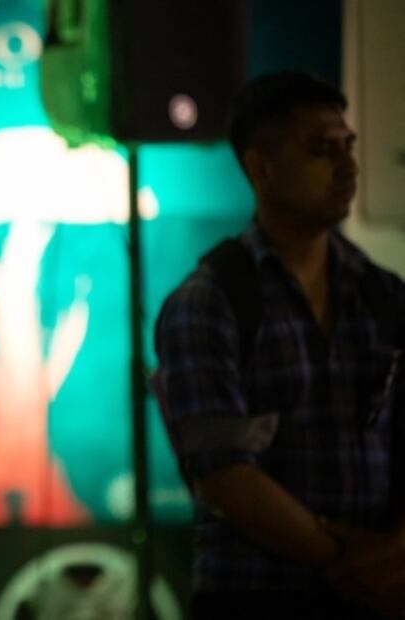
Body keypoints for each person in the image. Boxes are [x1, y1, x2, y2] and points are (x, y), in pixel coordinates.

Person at [155, 72, 405, 618]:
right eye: (322, 150)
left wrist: (395, 554)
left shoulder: (384, 295)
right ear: (260, 167)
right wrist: (356, 563)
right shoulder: (211, 301)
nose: (348, 167)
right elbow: (224, 475)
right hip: (256, 596)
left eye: (348, 147)